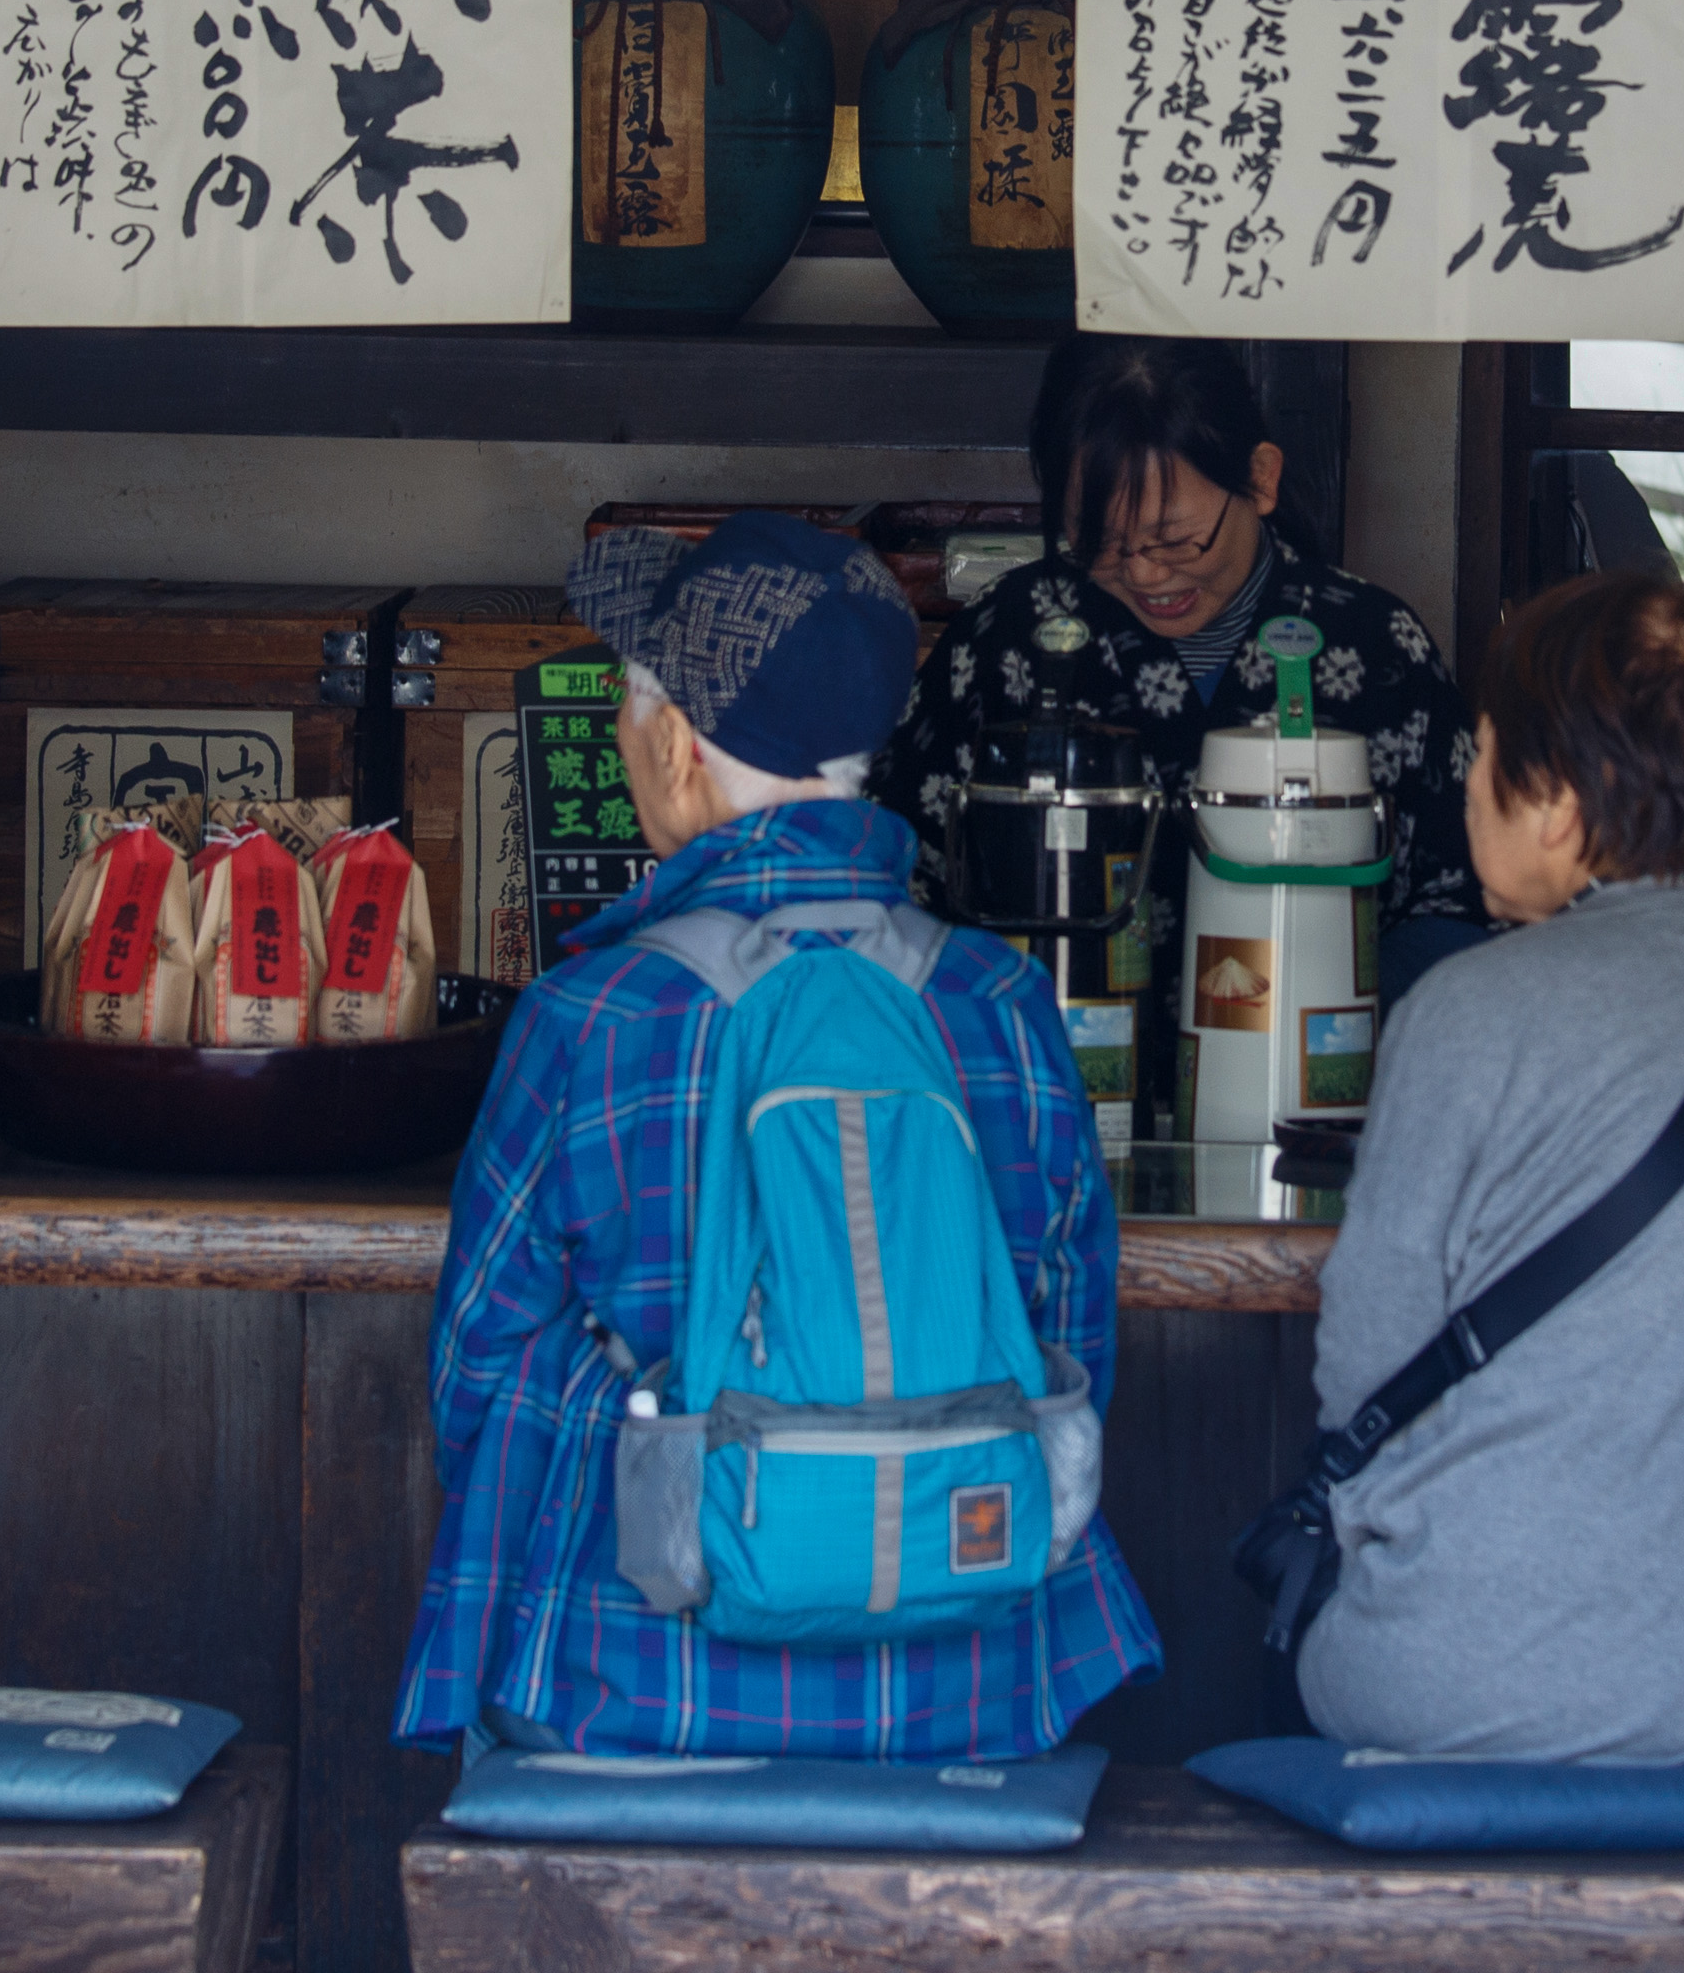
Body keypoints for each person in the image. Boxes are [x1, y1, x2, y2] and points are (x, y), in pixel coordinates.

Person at [394, 509, 1160, 1758]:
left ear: (678, 747)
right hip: (975, 1694)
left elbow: (480, 1371)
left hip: (641, 1688)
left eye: (628, 708)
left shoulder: (591, 1017)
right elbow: (1070, 1352)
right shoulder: (998, 1004)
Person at [1296, 569, 1684, 1769]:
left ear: (1558, 800)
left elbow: (1362, 1377)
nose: (1466, 788)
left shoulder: (1463, 1010)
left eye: (1485, 757)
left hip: (1469, 1688)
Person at [877, 335, 1490, 999]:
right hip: (1040, 1069)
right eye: (1100, 542)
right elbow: (901, 868)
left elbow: (1452, 898)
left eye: (1173, 539)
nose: (1143, 572)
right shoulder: (1010, 638)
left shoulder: (1373, 646)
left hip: (1312, 1071)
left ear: (1259, 479)